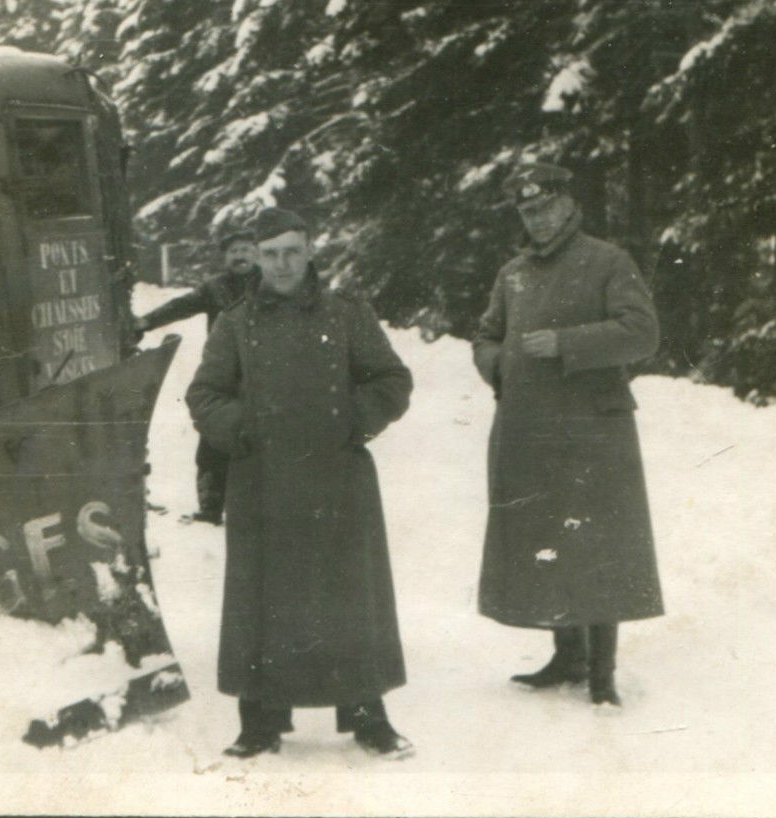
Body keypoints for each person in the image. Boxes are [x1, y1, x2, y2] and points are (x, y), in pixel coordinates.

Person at [186, 208, 416, 758]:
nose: (282, 264)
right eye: (270, 254)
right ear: (257, 259)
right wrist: (242, 428)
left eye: (292, 251)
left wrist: (352, 420)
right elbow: (205, 394)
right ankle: (260, 721)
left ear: (310, 251)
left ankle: (367, 717)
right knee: (263, 601)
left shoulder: (347, 314)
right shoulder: (236, 323)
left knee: (348, 597)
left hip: (338, 479)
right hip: (262, 482)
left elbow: (391, 379)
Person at [473, 160, 664, 707]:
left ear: (568, 206)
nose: (536, 219)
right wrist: (500, 365)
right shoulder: (513, 274)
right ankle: (567, 656)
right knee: (547, 537)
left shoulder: (607, 261)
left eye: (545, 207)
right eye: (527, 211)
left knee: (599, 543)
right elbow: (485, 336)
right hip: (529, 428)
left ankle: (602, 675)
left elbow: (642, 333)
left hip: (593, 430)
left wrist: (567, 344)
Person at [134, 227, 260, 524]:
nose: (239, 256)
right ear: (224, 257)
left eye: (245, 250)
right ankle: (211, 506)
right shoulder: (215, 288)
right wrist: (146, 322)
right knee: (214, 436)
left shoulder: (271, 285)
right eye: (233, 251)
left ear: (257, 254)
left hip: (263, 372)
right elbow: (182, 306)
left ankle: (261, 508)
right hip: (222, 374)